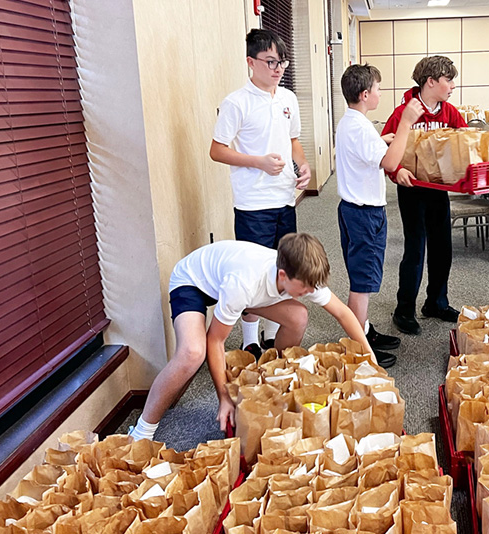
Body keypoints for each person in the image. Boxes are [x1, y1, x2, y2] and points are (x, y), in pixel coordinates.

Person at [129, 233, 375, 441]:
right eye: (304, 288)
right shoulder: (243, 283)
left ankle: (273, 381)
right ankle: (142, 430)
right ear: (282, 275)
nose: (310, 292)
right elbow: (215, 340)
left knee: (298, 316)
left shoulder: (306, 275)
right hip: (193, 281)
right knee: (192, 353)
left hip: (236, 286)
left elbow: (343, 313)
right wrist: (224, 398)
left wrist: (369, 357)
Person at [209, 29, 311, 356]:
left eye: (282, 61)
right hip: (253, 203)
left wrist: (304, 165)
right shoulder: (235, 102)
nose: (278, 68)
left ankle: (271, 333)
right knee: (253, 273)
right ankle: (249, 337)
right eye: (270, 61)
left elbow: (293, 140)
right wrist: (258, 162)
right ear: (251, 62)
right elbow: (217, 150)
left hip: (285, 198)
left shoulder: (288, 99)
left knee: (283, 268)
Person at [335, 63, 425, 368]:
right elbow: (390, 163)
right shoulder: (360, 127)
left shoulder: (352, 122)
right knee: (362, 284)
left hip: (353, 209)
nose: (380, 93)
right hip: (364, 214)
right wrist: (405, 124)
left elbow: (371, 151)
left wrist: (381, 140)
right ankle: (358, 352)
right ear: (364, 94)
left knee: (361, 277)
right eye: (377, 88)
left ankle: (364, 331)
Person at [382, 56, 466, 336]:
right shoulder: (403, 113)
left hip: (439, 191)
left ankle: (436, 302)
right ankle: (404, 309)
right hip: (412, 192)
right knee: (415, 250)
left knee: (443, 249)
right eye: (448, 80)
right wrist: (398, 173)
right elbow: (384, 152)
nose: (453, 85)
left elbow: (465, 145)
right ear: (431, 82)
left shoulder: (450, 113)